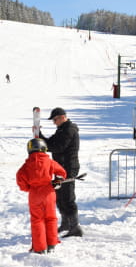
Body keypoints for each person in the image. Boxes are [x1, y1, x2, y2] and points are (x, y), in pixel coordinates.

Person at [16, 138, 67, 254]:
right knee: (51, 218)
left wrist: (28, 188)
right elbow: (61, 171)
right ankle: (52, 243)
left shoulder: (26, 166)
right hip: (49, 192)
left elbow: (20, 179)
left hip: (35, 194)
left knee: (37, 220)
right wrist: (58, 180)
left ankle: (40, 248)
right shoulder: (49, 162)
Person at [40, 107, 83, 237]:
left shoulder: (69, 129)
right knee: (60, 197)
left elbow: (57, 147)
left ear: (63, 117)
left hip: (68, 168)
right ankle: (65, 223)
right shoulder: (61, 129)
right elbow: (50, 143)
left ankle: (75, 227)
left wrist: (42, 144)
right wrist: (39, 135)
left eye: (55, 119)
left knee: (68, 198)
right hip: (60, 168)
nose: (54, 122)